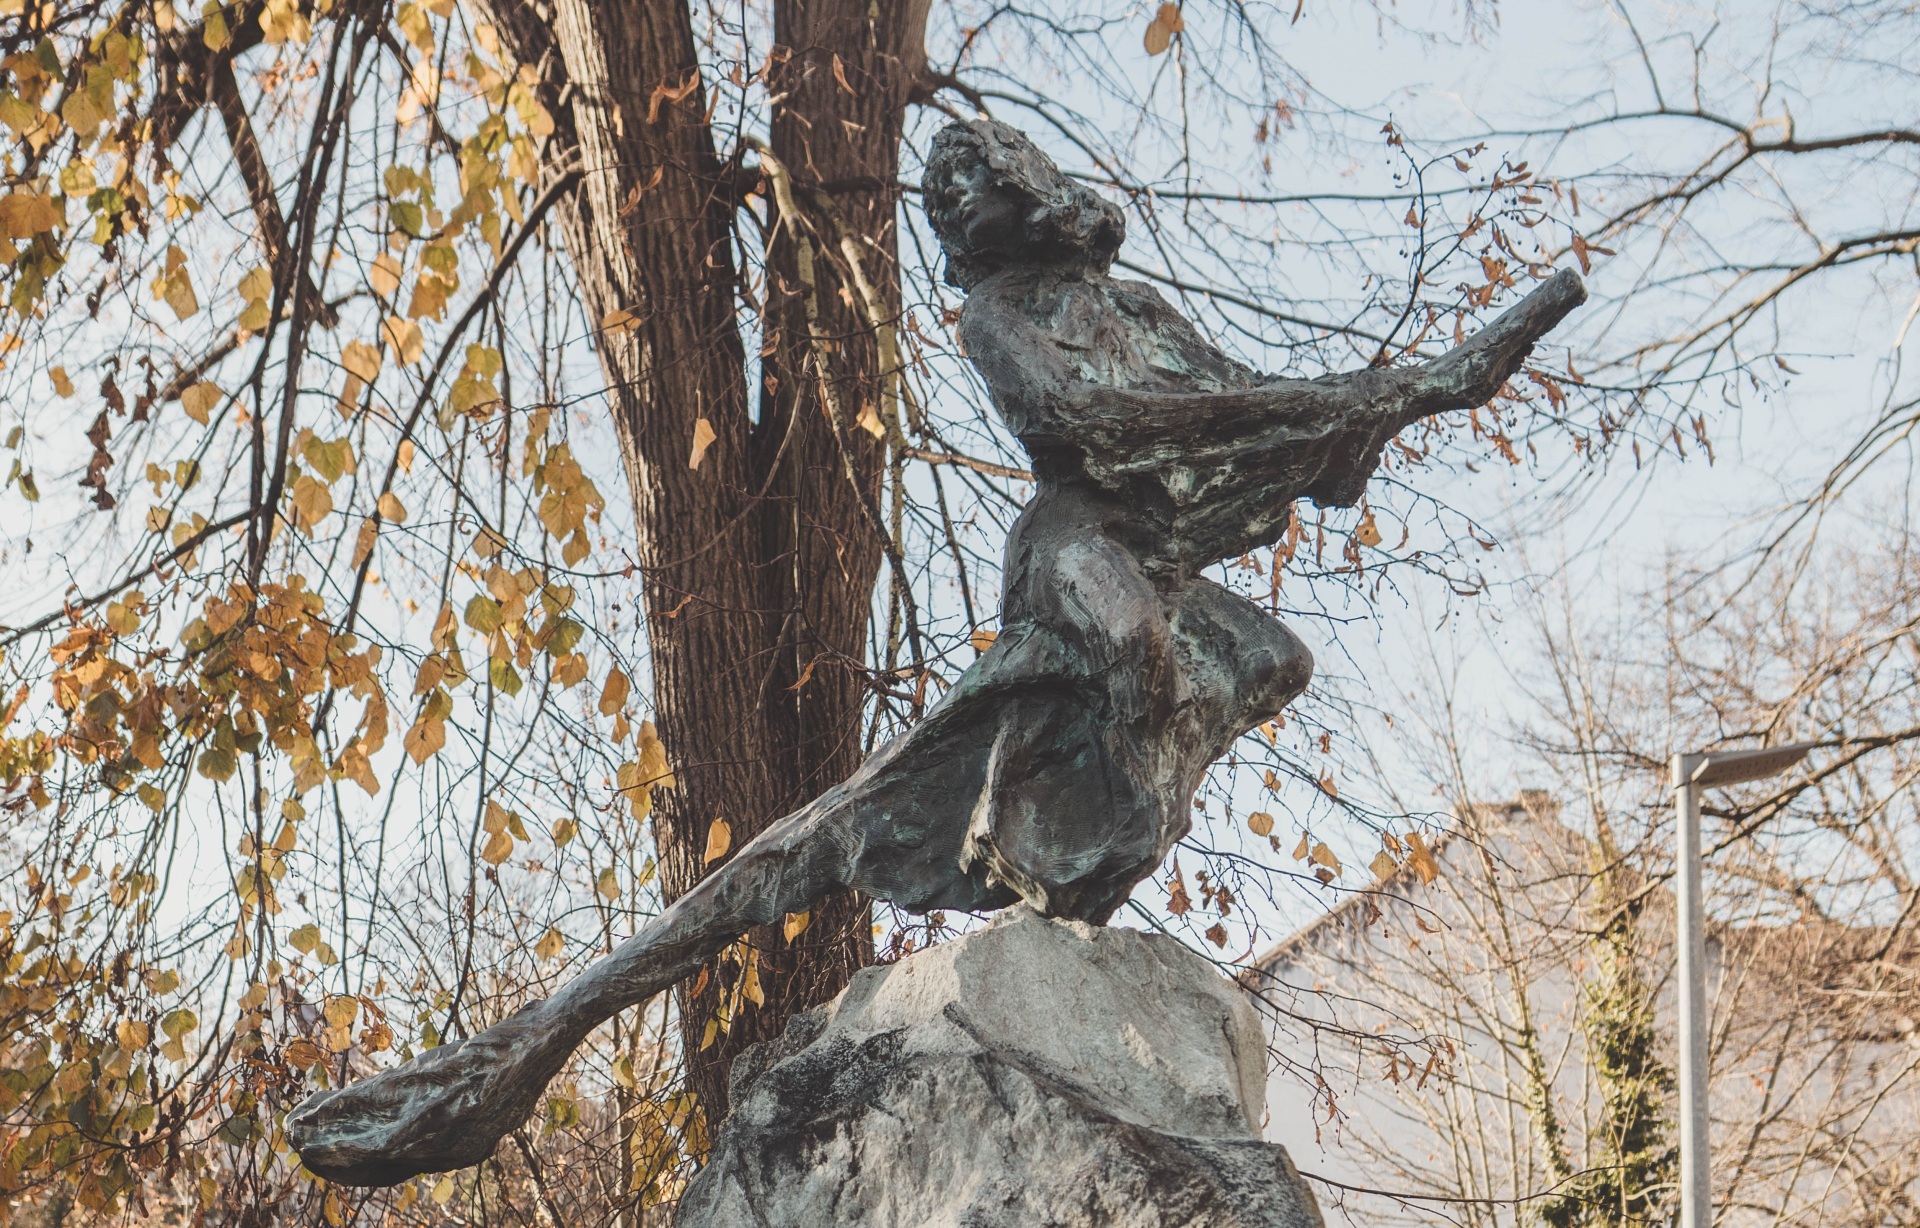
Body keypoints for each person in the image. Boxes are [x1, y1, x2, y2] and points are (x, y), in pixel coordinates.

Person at [288, 118, 1585, 1185]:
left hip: (1158, 555)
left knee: (1262, 662)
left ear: (1028, 183)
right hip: (1076, 554)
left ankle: (1063, 838)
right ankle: (547, 1034)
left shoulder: (1128, 303)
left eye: (972, 172)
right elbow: (1102, 422)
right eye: (939, 194)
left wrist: (1378, 406)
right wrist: (1374, 393)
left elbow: (1233, 405)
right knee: (1128, 657)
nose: (954, 198)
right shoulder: (1000, 320)